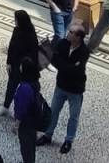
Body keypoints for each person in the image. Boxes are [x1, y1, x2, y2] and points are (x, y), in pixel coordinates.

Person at [36, 20, 90, 154]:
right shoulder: (63, 44)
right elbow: (54, 59)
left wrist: (63, 65)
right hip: (61, 85)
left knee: (74, 116)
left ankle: (68, 141)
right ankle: (48, 135)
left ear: (78, 37)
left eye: (71, 32)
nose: (68, 33)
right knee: (53, 111)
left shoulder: (84, 51)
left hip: (75, 90)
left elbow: (77, 70)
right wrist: (68, 66)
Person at [0, 9, 40, 115]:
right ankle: (5, 106)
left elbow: (33, 51)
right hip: (15, 64)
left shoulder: (31, 33)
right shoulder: (16, 30)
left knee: (26, 89)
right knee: (11, 86)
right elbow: (11, 45)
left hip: (26, 66)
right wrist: (9, 62)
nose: (15, 21)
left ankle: (25, 113)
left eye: (16, 19)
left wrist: (24, 64)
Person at [11, 57, 45, 163]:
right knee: (30, 147)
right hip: (34, 120)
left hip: (26, 124)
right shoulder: (34, 83)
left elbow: (21, 109)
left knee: (26, 149)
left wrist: (16, 124)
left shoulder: (24, 88)